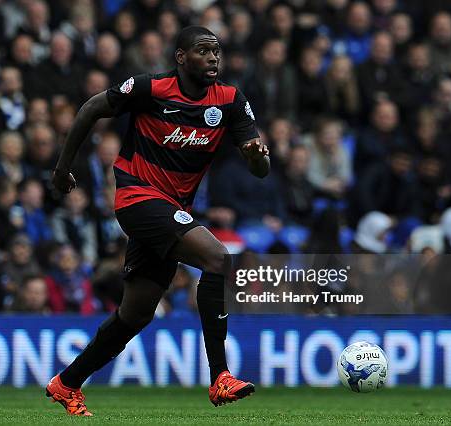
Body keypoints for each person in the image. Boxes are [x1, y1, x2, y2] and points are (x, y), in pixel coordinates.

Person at [47, 26, 268, 415]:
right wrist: (63, 170)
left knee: (135, 314)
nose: (214, 57)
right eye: (203, 51)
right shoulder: (151, 88)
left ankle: (66, 383)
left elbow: (262, 169)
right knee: (217, 258)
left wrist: (255, 157)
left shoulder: (231, 101)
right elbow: (89, 109)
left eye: (217, 51)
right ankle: (220, 376)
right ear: (181, 57)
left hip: (171, 209)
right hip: (137, 197)